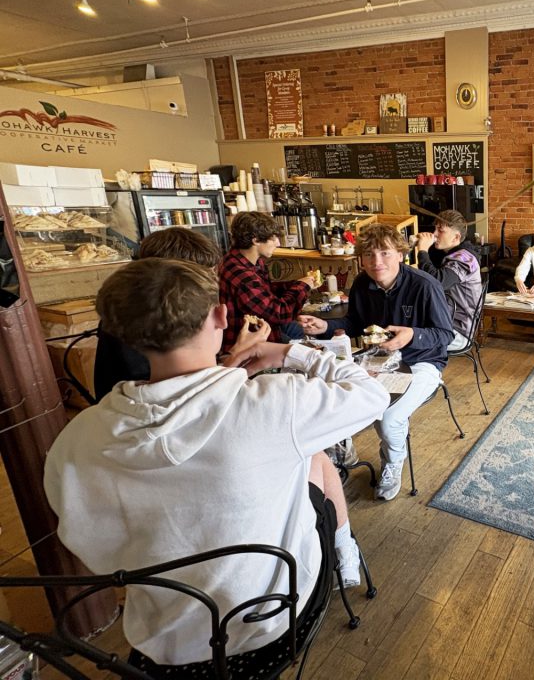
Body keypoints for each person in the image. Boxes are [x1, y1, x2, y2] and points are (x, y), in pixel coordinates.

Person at [44, 258, 390, 666]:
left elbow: (92, 545)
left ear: (126, 336)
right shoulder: (277, 403)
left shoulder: (77, 439)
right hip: (271, 623)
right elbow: (372, 394)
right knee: (305, 455)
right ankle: (344, 552)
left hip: (161, 638)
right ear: (222, 315)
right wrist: (287, 351)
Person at [298, 224, 453, 501]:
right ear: (361, 258)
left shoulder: (424, 285)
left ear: (401, 255)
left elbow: (445, 335)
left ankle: (393, 463)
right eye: (369, 255)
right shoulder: (361, 283)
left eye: (385, 253)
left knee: (389, 416)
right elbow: (355, 324)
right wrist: (324, 325)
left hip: (422, 362)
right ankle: (342, 446)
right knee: (329, 392)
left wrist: (412, 335)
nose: (376, 262)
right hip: (377, 359)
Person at [94, 227, 272, 398]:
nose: (211, 281)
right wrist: (236, 356)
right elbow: (178, 394)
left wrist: (234, 352)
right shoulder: (140, 317)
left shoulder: (158, 308)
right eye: (203, 275)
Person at [219, 211, 314, 351]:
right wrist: (302, 286)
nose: (278, 243)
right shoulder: (240, 273)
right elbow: (280, 313)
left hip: (264, 333)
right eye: (273, 238)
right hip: (247, 348)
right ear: (256, 240)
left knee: (297, 331)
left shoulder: (250, 261)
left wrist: (296, 283)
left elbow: (264, 291)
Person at [415, 210, 482, 352]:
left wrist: (422, 251)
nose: (434, 234)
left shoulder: (464, 259)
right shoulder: (455, 254)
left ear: (456, 237)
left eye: (441, 230)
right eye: (435, 229)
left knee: (406, 339)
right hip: (447, 323)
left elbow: (437, 281)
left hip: (457, 331)